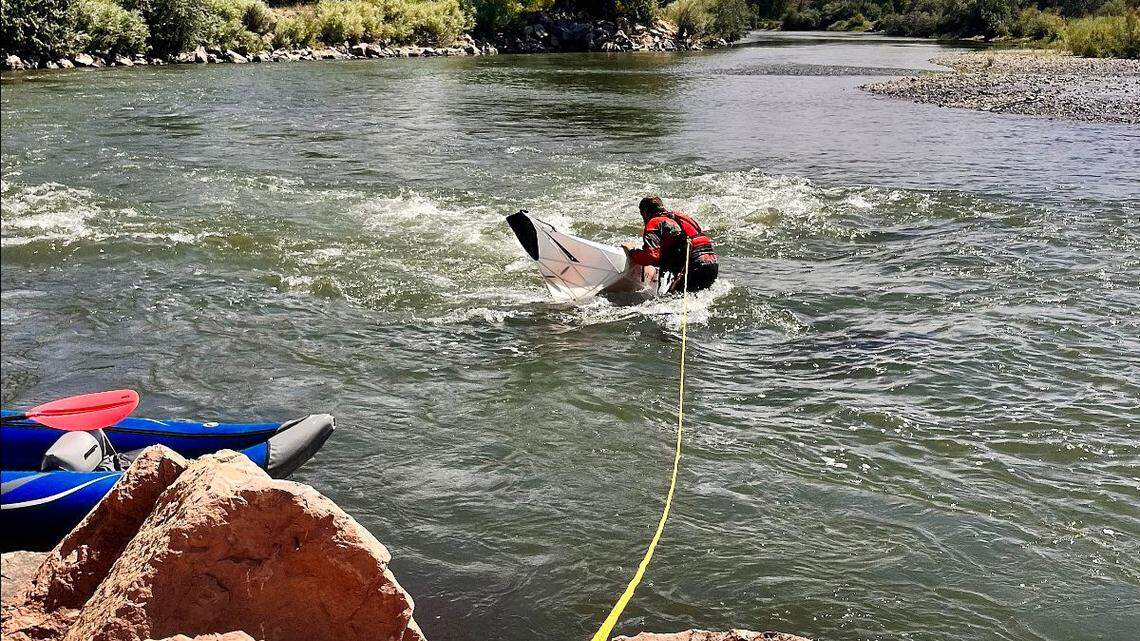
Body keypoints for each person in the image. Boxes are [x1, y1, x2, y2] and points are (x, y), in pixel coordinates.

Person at [624, 196, 718, 293]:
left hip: (696, 266)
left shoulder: (655, 222)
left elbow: (651, 256)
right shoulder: (683, 218)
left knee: (672, 302)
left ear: (644, 213)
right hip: (712, 265)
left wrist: (632, 252)